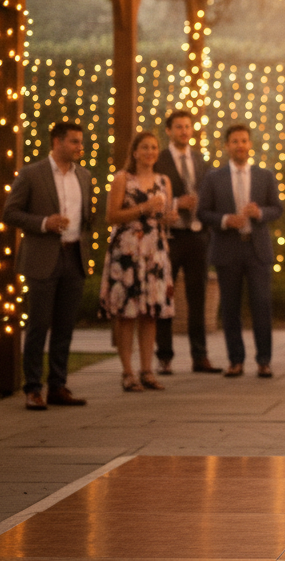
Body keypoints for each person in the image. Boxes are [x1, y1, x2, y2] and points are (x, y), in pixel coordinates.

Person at [3, 121, 94, 410]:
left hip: (74, 256)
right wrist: (44, 223)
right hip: (43, 257)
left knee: (65, 326)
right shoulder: (32, 174)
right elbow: (10, 212)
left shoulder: (85, 176)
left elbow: (88, 215)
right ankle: (32, 388)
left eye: (81, 142)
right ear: (56, 141)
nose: (80, 147)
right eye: (74, 142)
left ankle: (58, 385)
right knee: (38, 325)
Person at [197, 124, 284, 379]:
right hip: (227, 249)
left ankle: (264, 361)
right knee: (230, 308)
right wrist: (225, 220)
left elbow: (277, 208)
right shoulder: (214, 177)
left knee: (261, 305)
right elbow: (203, 212)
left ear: (250, 144)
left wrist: (260, 213)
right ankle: (235, 361)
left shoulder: (264, 175)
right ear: (227, 146)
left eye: (244, 141)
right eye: (235, 141)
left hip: (257, 249)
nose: (240, 145)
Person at [99, 132, 179, 392]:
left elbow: (163, 215)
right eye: (144, 147)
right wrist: (143, 209)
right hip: (128, 251)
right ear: (134, 152)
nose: (150, 152)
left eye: (154, 147)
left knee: (150, 313)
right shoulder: (123, 179)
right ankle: (127, 372)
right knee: (126, 313)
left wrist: (169, 217)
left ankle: (147, 370)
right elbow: (111, 216)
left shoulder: (163, 180)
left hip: (154, 251)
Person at [154, 110, 220, 374]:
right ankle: (165, 357)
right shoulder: (158, 160)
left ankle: (200, 356)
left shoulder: (200, 159)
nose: (183, 131)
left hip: (198, 237)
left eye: (187, 127)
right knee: (165, 296)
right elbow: (151, 192)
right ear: (169, 131)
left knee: (198, 298)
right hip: (170, 236)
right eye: (178, 127)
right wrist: (175, 203)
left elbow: (209, 194)